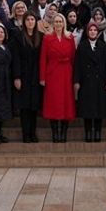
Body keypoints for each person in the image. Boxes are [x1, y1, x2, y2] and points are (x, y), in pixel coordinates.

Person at [39, 12, 77, 142]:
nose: (58, 24)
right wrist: (42, 78)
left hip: (67, 73)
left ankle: (64, 133)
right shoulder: (47, 38)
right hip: (52, 73)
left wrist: (75, 77)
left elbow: (74, 58)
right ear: (53, 23)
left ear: (64, 23)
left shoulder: (70, 37)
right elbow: (43, 58)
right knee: (53, 103)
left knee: (67, 103)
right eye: (56, 22)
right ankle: (55, 133)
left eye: (60, 21)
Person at [10, 12, 44, 143]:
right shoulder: (18, 37)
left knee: (34, 106)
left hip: (36, 75)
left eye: (32, 19)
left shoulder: (41, 36)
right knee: (24, 107)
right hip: (23, 75)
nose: (30, 22)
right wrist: (17, 77)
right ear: (24, 22)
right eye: (28, 19)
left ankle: (33, 133)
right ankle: (26, 134)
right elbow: (16, 58)